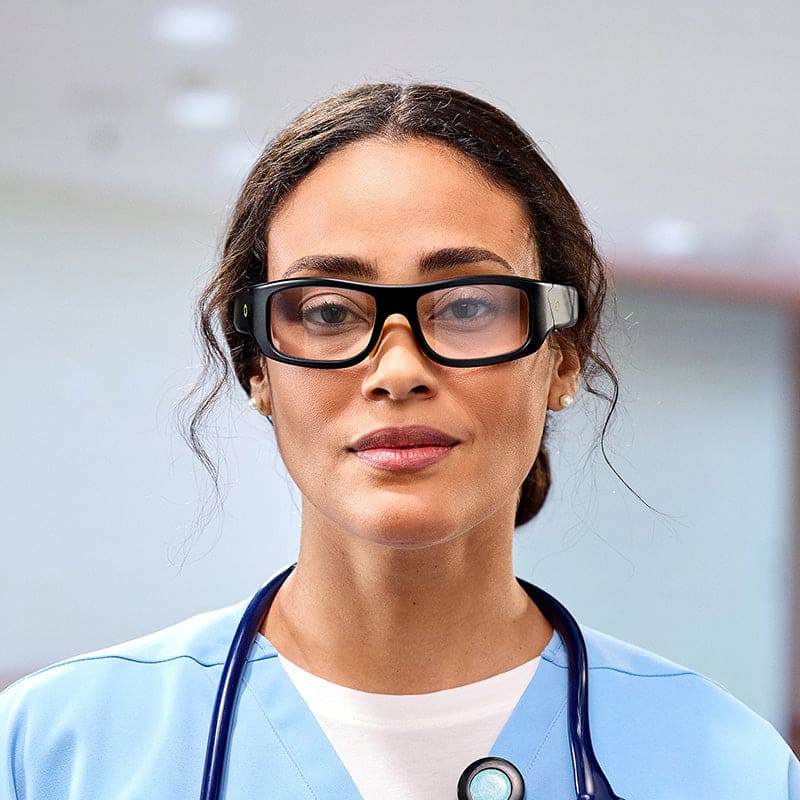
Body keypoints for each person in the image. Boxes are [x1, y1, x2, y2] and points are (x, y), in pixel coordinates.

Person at [1, 83, 797, 800]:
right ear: (258, 372)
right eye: (326, 311)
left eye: (467, 305)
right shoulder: (54, 751)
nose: (398, 369)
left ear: (562, 359)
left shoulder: (728, 768)